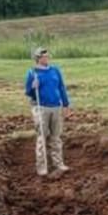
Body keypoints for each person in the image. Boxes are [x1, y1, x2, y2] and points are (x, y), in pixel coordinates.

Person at [24, 47, 70, 177]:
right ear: (38, 58)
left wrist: (66, 104)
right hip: (41, 108)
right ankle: (42, 167)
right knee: (42, 138)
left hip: (55, 107)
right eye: (44, 56)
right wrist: (33, 87)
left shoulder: (55, 70)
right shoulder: (32, 73)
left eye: (48, 56)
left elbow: (61, 87)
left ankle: (58, 163)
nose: (47, 58)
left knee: (56, 137)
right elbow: (28, 92)